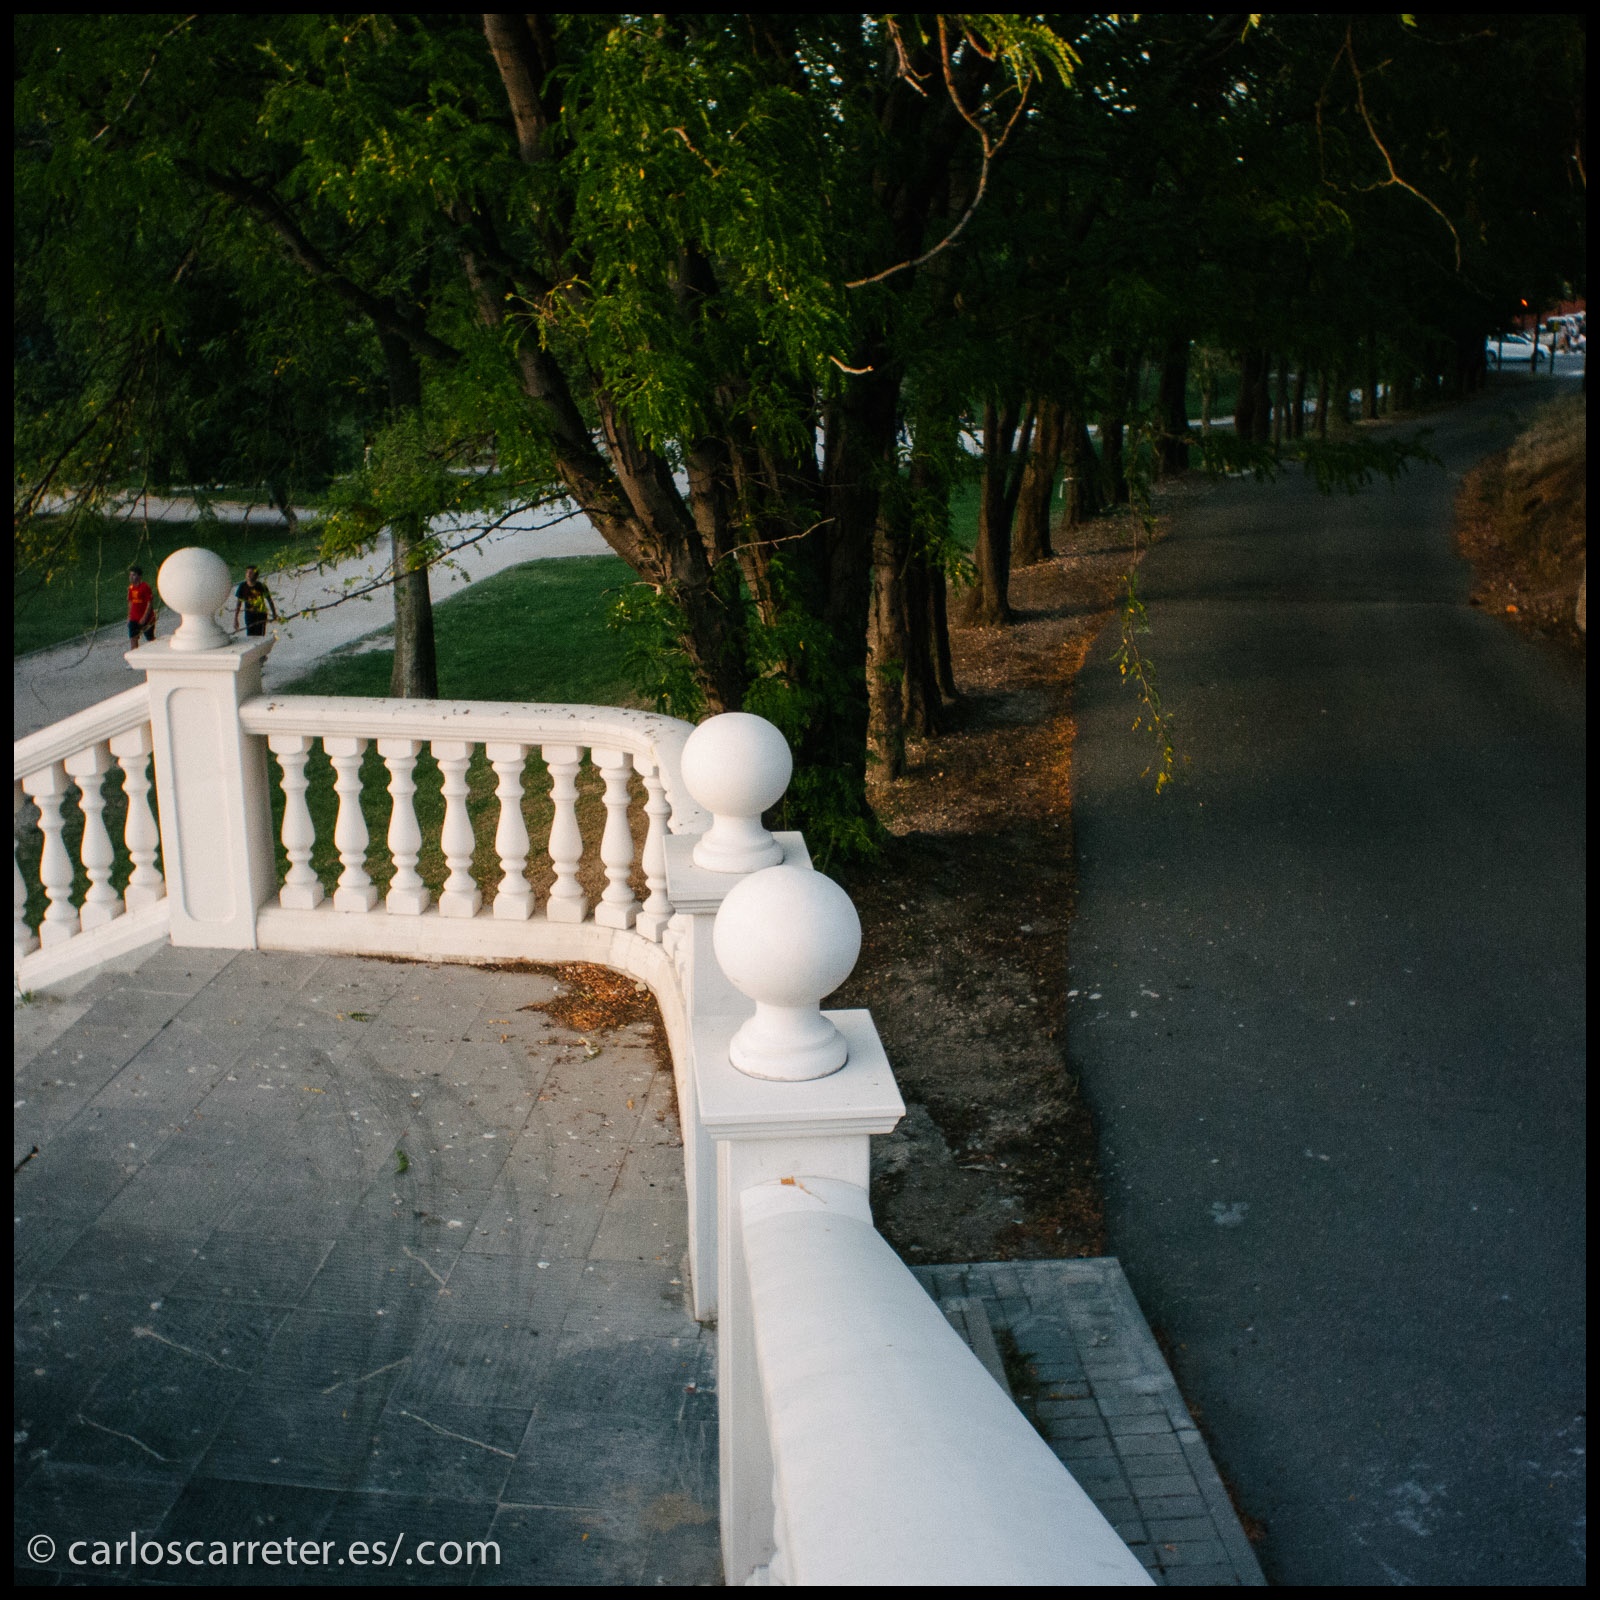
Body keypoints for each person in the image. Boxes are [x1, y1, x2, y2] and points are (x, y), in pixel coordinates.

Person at [233, 565, 279, 637]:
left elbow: (269, 600)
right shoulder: (242, 587)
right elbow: (239, 603)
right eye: (247, 572)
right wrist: (236, 619)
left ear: (256, 575)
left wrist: (274, 614)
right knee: (250, 636)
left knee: (260, 636)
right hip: (249, 616)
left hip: (261, 615)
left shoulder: (261, 586)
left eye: (251, 573)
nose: (248, 575)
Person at [127, 566, 156, 647]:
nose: (131, 577)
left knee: (150, 638)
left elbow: (149, 603)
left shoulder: (145, 587)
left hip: (146, 619)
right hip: (134, 618)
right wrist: (129, 616)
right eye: (130, 575)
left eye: (134, 575)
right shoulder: (131, 588)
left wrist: (144, 617)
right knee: (133, 638)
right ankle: (134, 656)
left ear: (139, 576)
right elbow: (130, 602)